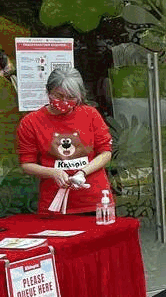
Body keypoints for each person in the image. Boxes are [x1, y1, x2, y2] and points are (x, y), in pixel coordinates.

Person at [17, 67, 114, 215]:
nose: (64, 101)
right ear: (48, 91)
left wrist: (82, 172)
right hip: (54, 203)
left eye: (71, 97)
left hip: (94, 201)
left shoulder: (90, 115)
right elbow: (27, 164)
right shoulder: (31, 122)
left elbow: (105, 152)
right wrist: (53, 173)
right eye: (59, 95)